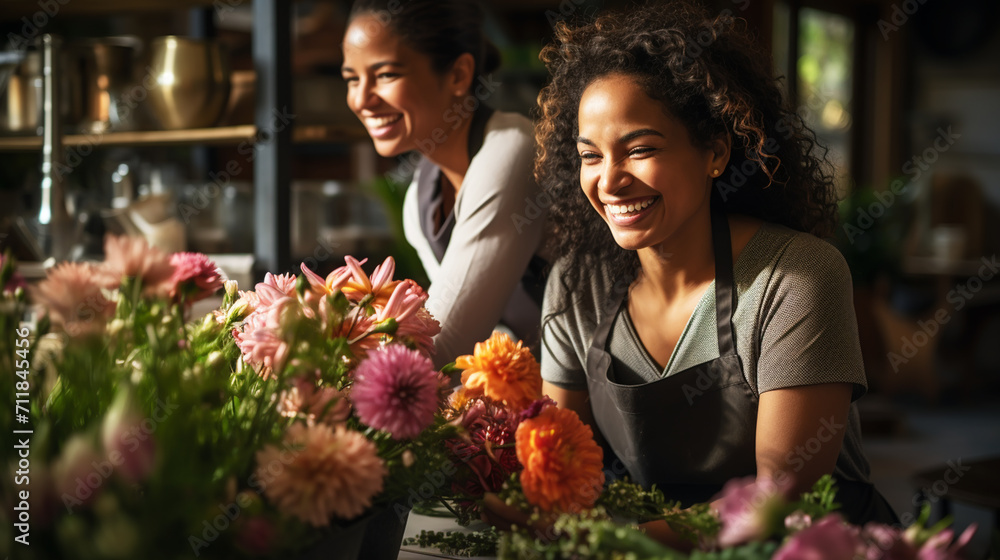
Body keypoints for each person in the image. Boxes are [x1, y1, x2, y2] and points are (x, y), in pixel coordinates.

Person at [532, 1, 898, 536]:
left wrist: (610, 543)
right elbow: (558, 467)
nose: (609, 182)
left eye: (639, 149)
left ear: (716, 154)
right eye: (591, 155)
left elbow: (780, 502)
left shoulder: (797, 277)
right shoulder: (575, 282)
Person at [342, 0, 548, 368]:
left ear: (458, 75)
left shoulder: (513, 148)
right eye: (352, 79)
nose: (362, 99)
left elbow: (442, 340)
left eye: (386, 75)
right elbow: (477, 336)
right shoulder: (421, 198)